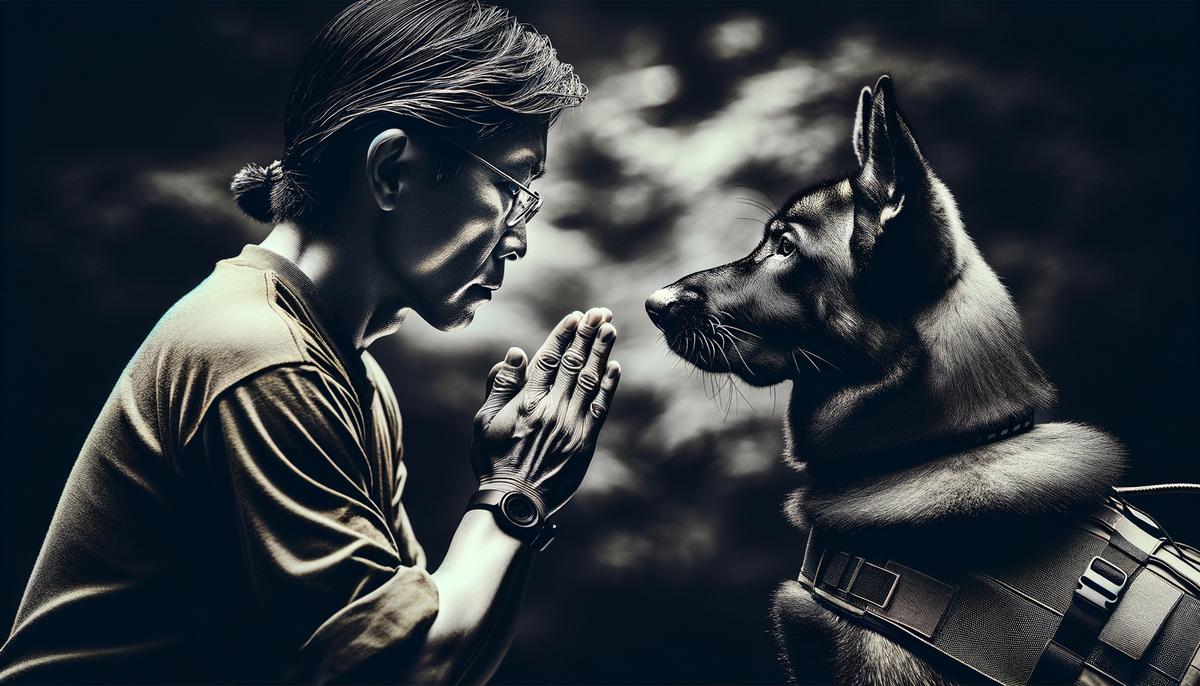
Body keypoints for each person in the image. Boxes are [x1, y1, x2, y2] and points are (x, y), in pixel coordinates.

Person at [0, 1, 621, 683]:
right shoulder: (265, 357)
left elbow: (434, 654)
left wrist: (517, 501)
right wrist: (514, 492)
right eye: (512, 187)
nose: (519, 238)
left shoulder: (340, 370)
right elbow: (412, 673)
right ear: (389, 171)